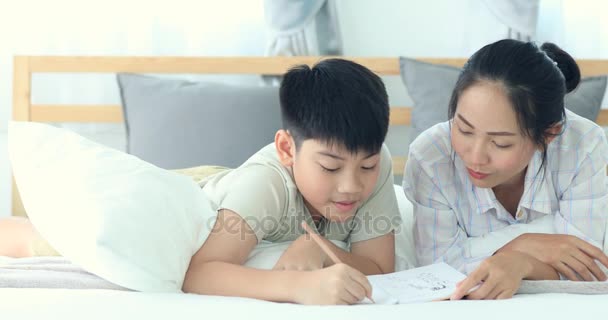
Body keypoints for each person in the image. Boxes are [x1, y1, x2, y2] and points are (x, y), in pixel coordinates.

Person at [0, 58, 400, 305]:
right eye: (330, 168)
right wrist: (297, 286)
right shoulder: (266, 186)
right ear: (286, 149)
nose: (352, 185)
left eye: (365, 167)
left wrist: (321, 248)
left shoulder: (375, 166)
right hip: (194, 194)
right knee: (51, 237)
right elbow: (200, 273)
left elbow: (381, 267)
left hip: (230, 191)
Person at [403, 39, 608, 300]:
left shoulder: (582, 144)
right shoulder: (431, 156)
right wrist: (522, 245)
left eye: (500, 143)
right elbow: (437, 273)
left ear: (548, 135)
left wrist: (522, 264)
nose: (475, 157)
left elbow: (587, 267)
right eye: (464, 129)